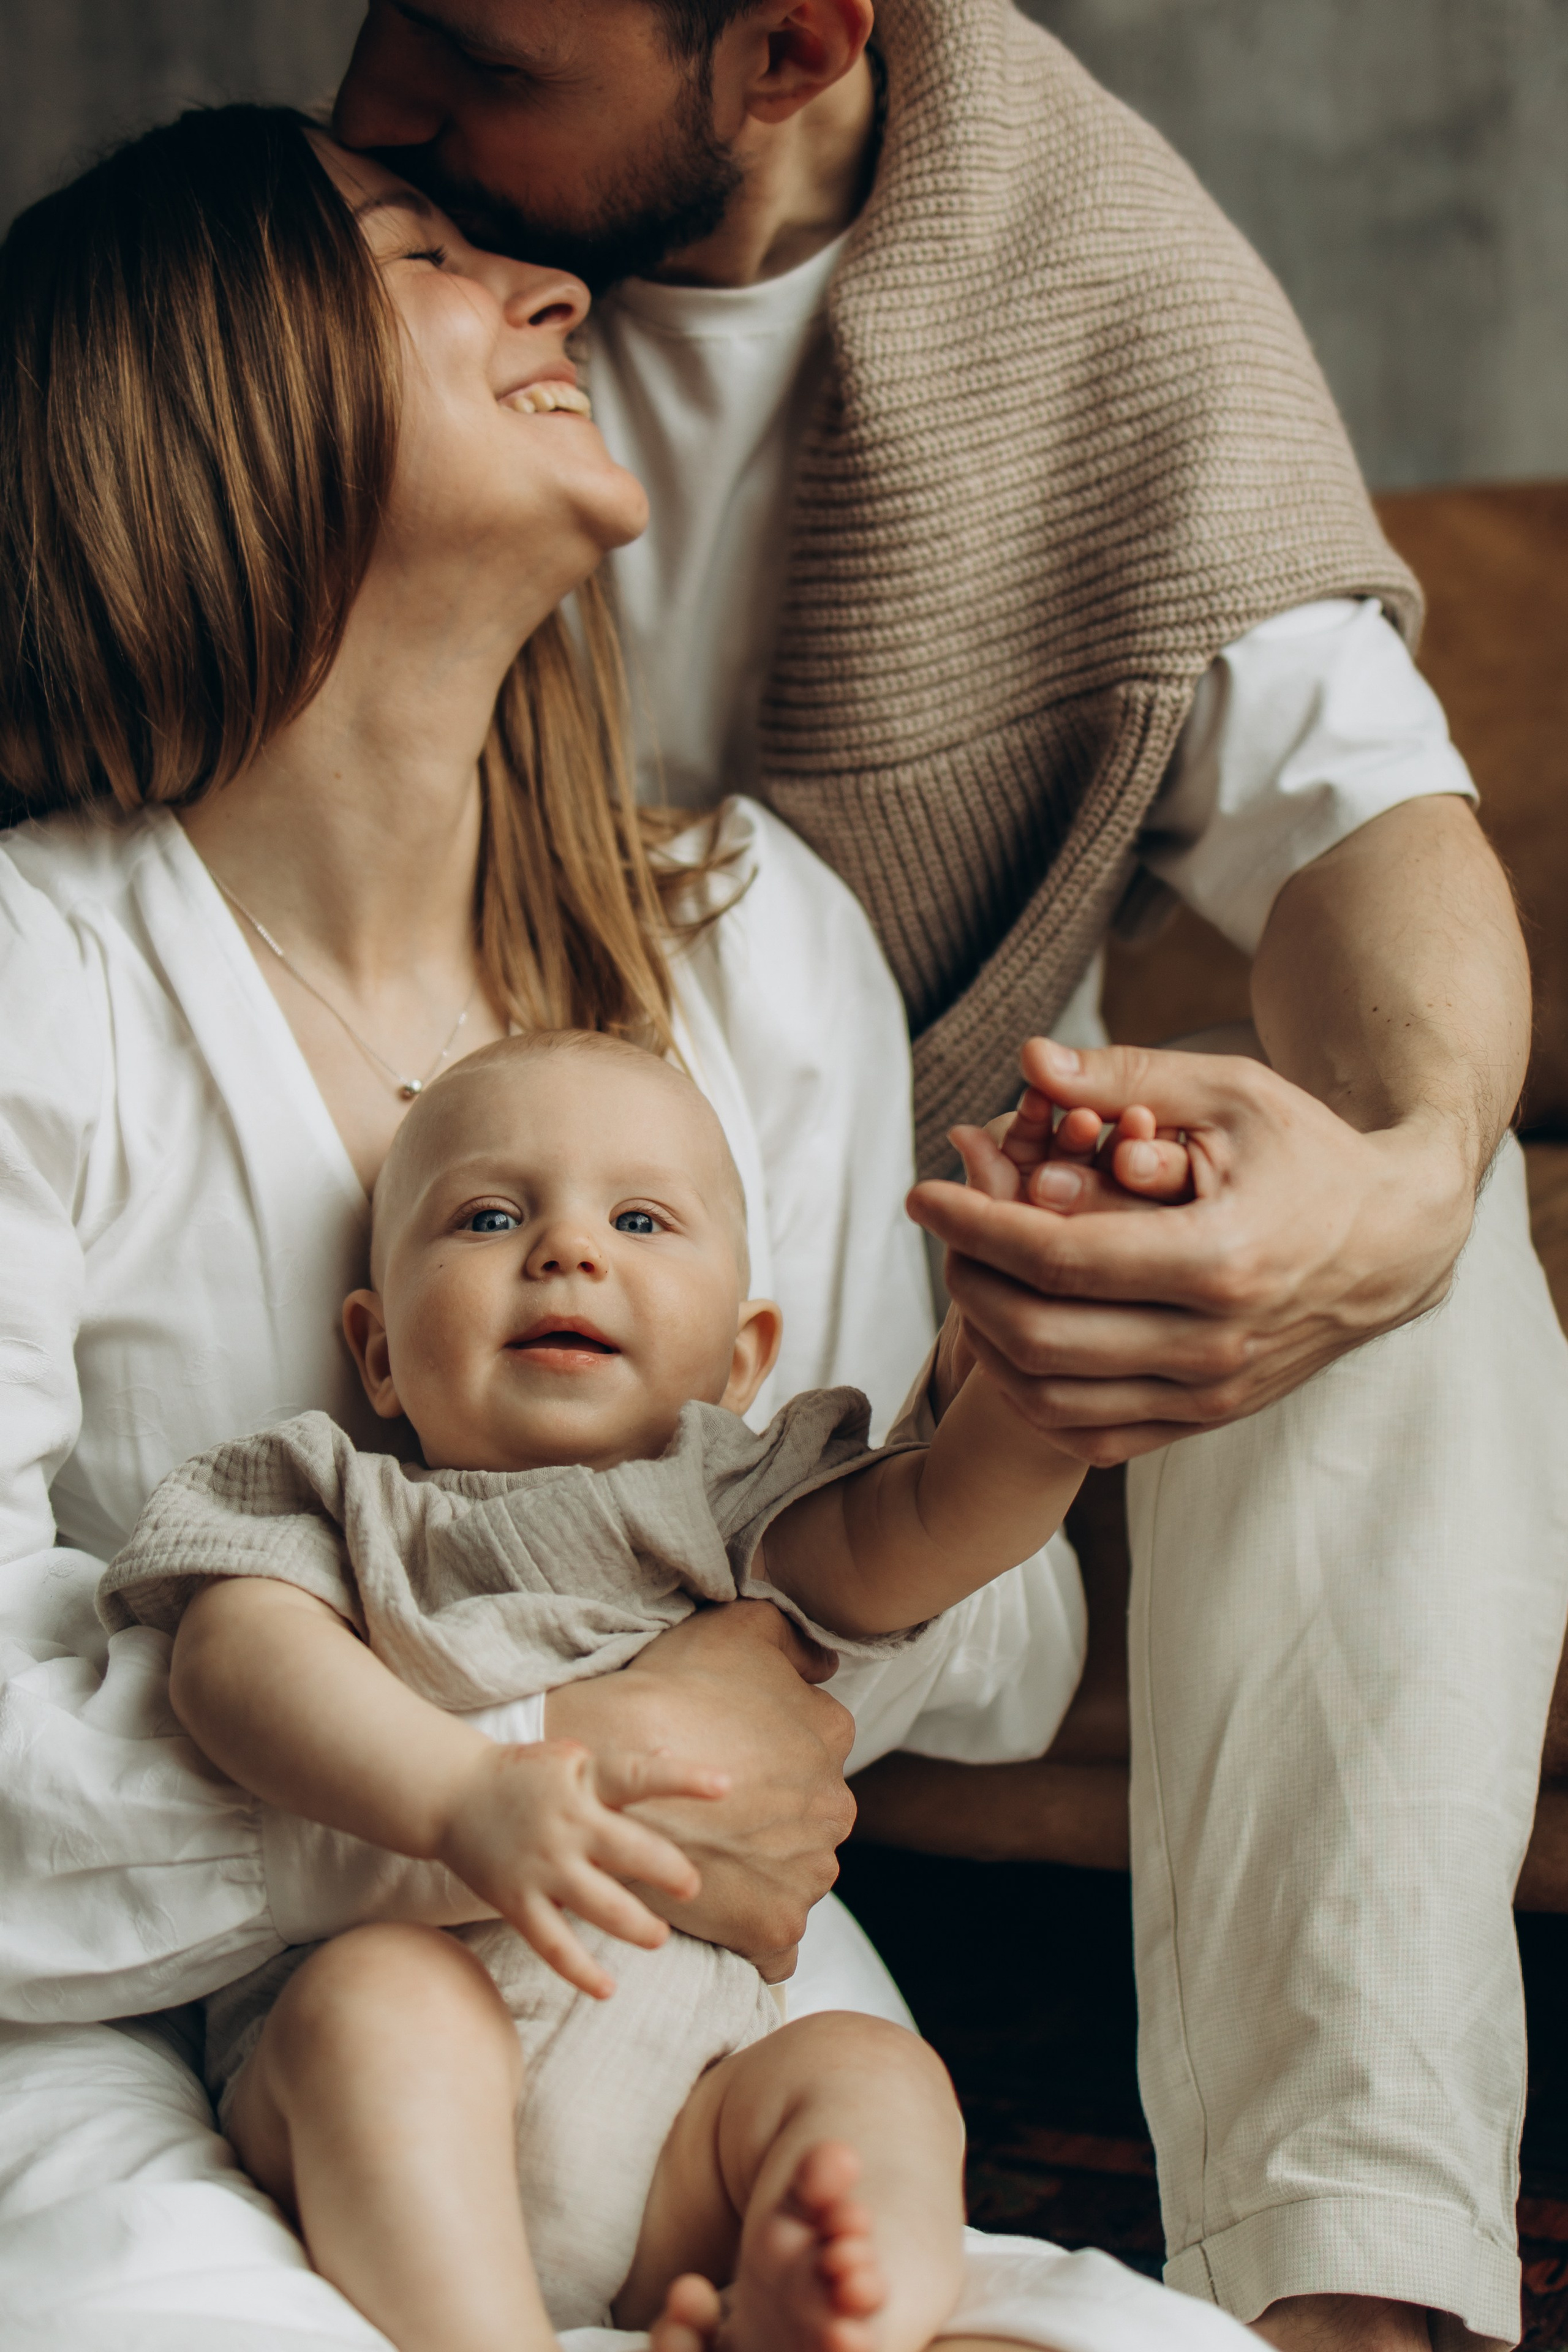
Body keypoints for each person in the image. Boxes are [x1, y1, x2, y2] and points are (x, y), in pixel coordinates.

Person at [327, 6, 1568, 2352]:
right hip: (415, 1247)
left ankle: (1349, 2299)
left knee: (1411, 1227)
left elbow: (1369, 817)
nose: (377, 101)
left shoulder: (1102, 300)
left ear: (792, 42)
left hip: (853, 1294)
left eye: (475, 64)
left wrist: (1380, 1204)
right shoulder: (372, 264)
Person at [0, 98, 1259, 2352]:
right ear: (204, 392)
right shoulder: (36, 973)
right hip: (171, 2036)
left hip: (695, 2022)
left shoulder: (758, 938)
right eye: (415, 257)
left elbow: (973, 1660)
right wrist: (522, 1782)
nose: (555, 289)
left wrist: (1020, 1398)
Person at [102, 1028, 1166, 2352]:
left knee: (870, 2075)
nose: (565, 1250)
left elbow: (946, 1517)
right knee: (380, 2004)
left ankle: (830, 2313)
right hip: (390, 2115)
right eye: (489, 1215)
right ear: (375, 1353)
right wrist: (458, 1790)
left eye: (640, 1218)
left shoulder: (739, 1509)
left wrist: (1034, 1344)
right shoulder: (334, 1496)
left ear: (737, 1360)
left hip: (677, 2133)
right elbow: (235, 1660)